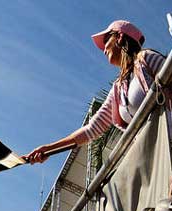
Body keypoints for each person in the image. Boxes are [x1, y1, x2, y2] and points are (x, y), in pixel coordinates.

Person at [24, 20, 170, 168]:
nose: (104, 49)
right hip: (155, 162)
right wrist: (48, 149)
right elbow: (91, 129)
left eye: (107, 40)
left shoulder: (146, 59)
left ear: (119, 37)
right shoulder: (117, 90)